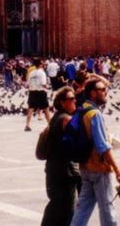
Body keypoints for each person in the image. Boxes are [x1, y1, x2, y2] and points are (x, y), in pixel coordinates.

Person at [70, 78, 120, 226]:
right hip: (99, 168)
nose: (105, 92)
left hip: (85, 167)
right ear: (93, 93)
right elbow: (102, 146)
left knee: (83, 208)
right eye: (102, 90)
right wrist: (117, 169)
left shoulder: (81, 109)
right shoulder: (95, 114)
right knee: (107, 207)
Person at [41, 85, 81, 226]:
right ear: (62, 102)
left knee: (55, 207)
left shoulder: (55, 118)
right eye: (71, 99)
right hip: (65, 171)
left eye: (74, 98)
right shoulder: (66, 119)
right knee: (67, 210)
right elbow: (77, 141)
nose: (74, 101)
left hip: (53, 169)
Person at [25, 58, 51, 131]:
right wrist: (48, 87)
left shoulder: (31, 73)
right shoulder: (42, 72)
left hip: (32, 92)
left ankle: (27, 125)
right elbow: (43, 84)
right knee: (45, 108)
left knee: (31, 108)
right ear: (40, 64)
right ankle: (50, 124)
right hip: (41, 92)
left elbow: (28, 83)